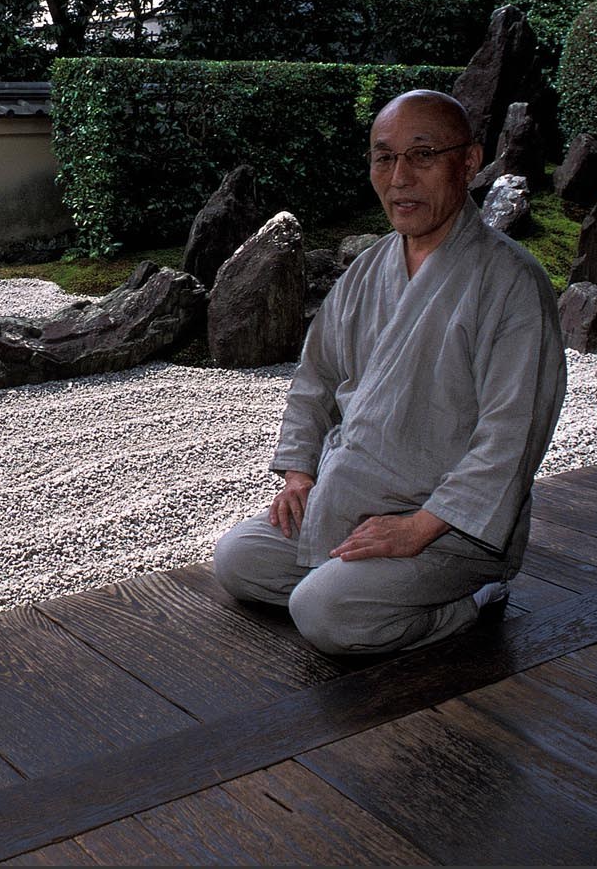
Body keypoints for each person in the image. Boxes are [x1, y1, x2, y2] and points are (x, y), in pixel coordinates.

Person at [210, 89, 566, 655]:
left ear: (469, 163)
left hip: (450, 528)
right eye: (384, 157)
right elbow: (315, 379)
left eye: (422, 154)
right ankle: (363, 587)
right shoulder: (369, 269)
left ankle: (471, 596)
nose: (400, 176)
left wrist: (420, 527)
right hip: (346, 502)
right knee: (238, 561)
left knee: (321, 613)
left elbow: (513, 434)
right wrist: (300, 475)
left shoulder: (511, 282)